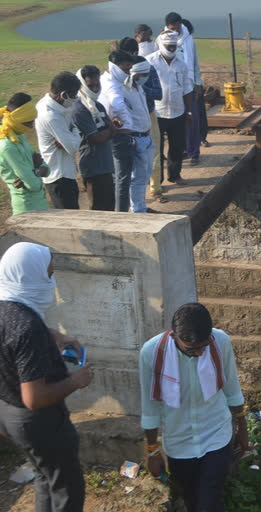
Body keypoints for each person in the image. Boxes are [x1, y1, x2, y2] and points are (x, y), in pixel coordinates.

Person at [0, 242, 93, 512]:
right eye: (48, 274)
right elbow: (34, 397)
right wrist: (75, 382)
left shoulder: (9, 308)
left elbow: (12, 335)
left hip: (7, 411)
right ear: (30, 276)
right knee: (67, 489)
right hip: (37, 421)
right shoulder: (27, 329)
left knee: (44, 477)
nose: (51, 280)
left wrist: (54, 335)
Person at [139, 302, 247, 512]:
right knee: (192, 501)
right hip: (180, 443)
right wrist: (152, 451)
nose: (199, 354)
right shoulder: (151, 353)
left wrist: (242, 426)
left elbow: (232, 387)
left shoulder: (220, 342)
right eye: (191, 349)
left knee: (209, 503)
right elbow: (149, 406)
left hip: (217, 435)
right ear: (173, 337)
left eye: (202, 347)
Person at [99, 51, 154, 212]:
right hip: (134, 138)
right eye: (141, 75)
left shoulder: (139, 87)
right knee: (135, 178)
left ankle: (140, 205)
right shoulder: (118, 88)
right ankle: (137, 210)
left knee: (144, 175)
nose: (144, 78)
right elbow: (117, 109)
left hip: (146, 135)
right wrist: (129, 135)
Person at [147, 30, 194, 188]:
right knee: (156, 150)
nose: (172, 49)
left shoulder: (181, 63)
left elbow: (187, 88)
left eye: (174, 46)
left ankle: (175, 175)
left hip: (178, 111)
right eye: (169, 46)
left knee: (177, 146)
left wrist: (189, 111)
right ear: (161, 44)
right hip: (157, 113)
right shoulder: (150, 62)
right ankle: (157, 182)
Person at [129, 32, 168, 204]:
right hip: (128, 119)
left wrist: (140, 89)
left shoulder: (147, 69)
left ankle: (156, 189)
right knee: (132, 156)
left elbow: (158, 93)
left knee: (154, 151)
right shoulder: (119, 76)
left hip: (149, 114)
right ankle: (136, 197)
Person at [72, 66, 117, 211]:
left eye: (97, 84)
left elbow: (107, 128)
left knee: (109, 207)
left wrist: (110, 129)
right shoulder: (80, 109)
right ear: (82, 85)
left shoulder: (97, 105)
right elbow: (96, 138)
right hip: (93, 166)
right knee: (99, 210)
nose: (96, 88)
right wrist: (111, 130)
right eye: (90, 85)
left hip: (105, 164)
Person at [36, 72, 82, 210]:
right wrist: (75, 130)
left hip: (65, 173)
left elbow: (69, 142)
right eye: (74, 95)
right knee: (70, 221)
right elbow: (73, 147)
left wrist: (69, 134)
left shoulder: (52, 104)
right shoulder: (51, 116)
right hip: (59, 177)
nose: (75, 98)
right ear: (63, 95)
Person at [0, 93, 50, 214]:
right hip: (26, 208)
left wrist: (33, 173)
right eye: (28, 123)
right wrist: (37, 171)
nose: (31, 126)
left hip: (40, 204)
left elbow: (47, 170)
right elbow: (34, 185)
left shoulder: (19, 137)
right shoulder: (8, 146)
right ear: (17, 121)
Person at [165, 12, 202, 167]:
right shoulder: (163, 40)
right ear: (167, 27)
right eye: (173, 28)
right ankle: (183, 150)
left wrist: (198, 83)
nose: (177, 30)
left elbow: (195, 62)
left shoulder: (188, 39)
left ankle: (194, 152)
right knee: (177, 120)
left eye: (179, 26)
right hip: (172, 86)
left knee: (192, 118)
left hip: (189, 83)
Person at [181, 19, 209, 150]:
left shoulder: (190, 43)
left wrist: (197, 84)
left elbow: (195, 65)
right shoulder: (172, 43)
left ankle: (201, 138)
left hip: (193, 83)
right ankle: (188, 144)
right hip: (181, 86)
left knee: (198, 113)